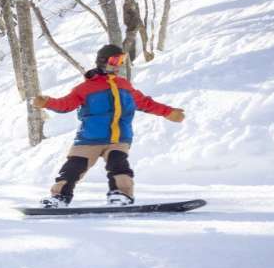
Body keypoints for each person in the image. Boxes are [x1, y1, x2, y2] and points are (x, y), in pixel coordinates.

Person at [32, 44, 185, 208]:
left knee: (118, 164)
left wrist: (168, 112)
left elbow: (144, 103)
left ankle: (121, 195)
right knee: (72, 168)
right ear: (103, 61)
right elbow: (65, 104)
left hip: (118, 138)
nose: (118, 64)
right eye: (115, 60)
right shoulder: (84, 88)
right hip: (89, 138)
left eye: (122, 60)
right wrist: (47, 102)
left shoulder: (124, 85)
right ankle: (59, 198)